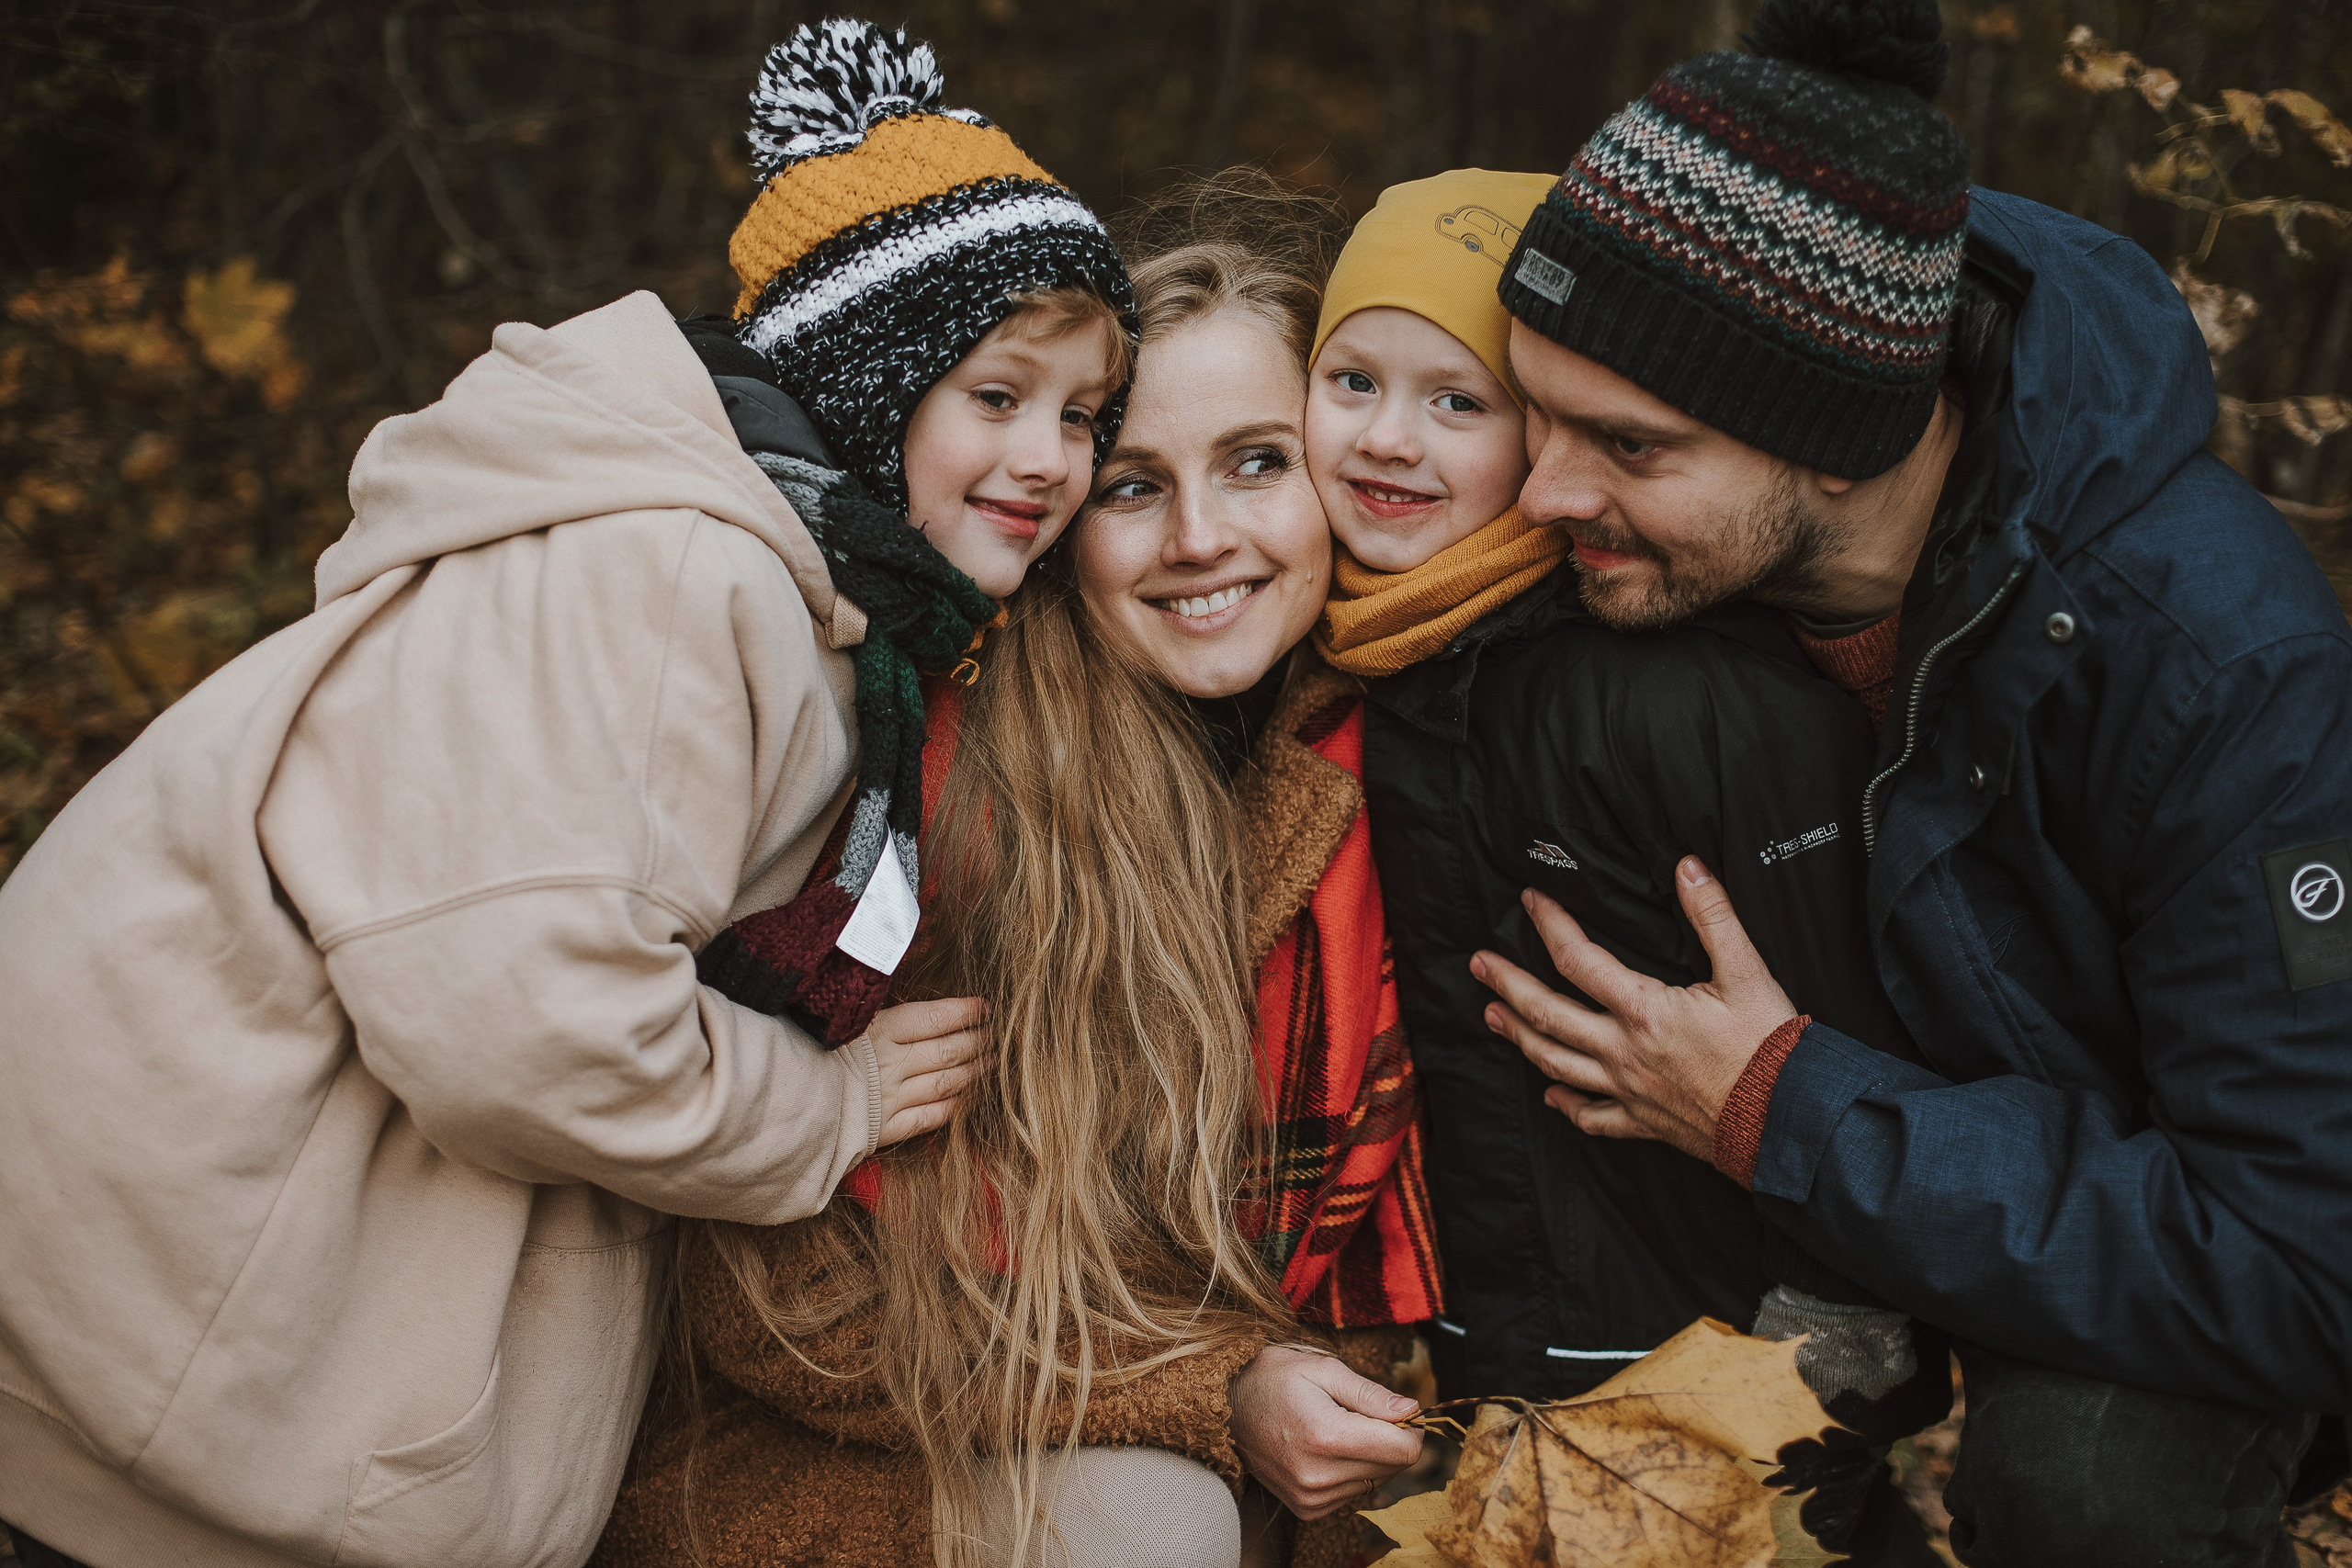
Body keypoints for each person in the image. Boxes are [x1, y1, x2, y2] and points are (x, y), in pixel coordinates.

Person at [0, 20, 1133, 1568]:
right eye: (999, 396)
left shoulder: (805, 596)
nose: (1051, 458)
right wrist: (827, 1105)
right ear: (867, 385)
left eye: (1081, 415)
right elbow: (518, 1018)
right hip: (146, 1342)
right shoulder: (674, 573)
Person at [1466, 0, 2352, 1562]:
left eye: (1629, 445)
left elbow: (2296, 1258)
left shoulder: (2220, 666)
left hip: (2174, 1234)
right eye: (1534, 413)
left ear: (1843, 442)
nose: (1545, 491)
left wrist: (1790, 1110)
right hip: (1848, 1212)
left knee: (2090, 1491)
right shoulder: (1672, 563)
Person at [593, 175, 1435, 1568]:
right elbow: (769, 1296)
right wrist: (1211, 1390)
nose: (1201, 540)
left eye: (1256, 463)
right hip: (875, 1451)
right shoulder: (944, 786)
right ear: (1059, 523)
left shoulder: (1391, 739)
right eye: (1133, 488)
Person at [1300, 162, 1947, 1562]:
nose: (1388, 440)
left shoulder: (1670, 691)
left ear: (1546, 434)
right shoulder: (1374, 666)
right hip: (1515, 1355)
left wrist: (1824, 1365)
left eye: (1456, 400)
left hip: (1720, 1368)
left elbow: (1863, 1025)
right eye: (1351, 381)